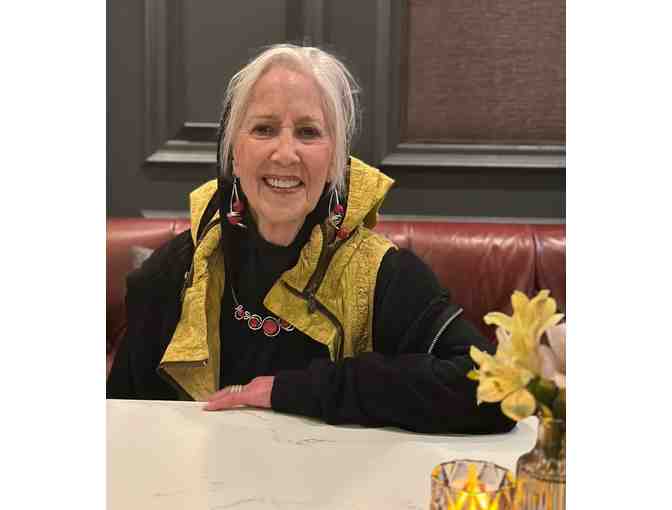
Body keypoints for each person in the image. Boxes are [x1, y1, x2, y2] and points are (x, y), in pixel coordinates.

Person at [107, 43, 514, 434]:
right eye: (264, 129)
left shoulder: (382, 275)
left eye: (307, 132)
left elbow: (496, 389)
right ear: (233, 153)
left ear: (336, 159)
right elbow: (119, 427)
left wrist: (298, 390)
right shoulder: (174, 274)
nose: (285, 154)